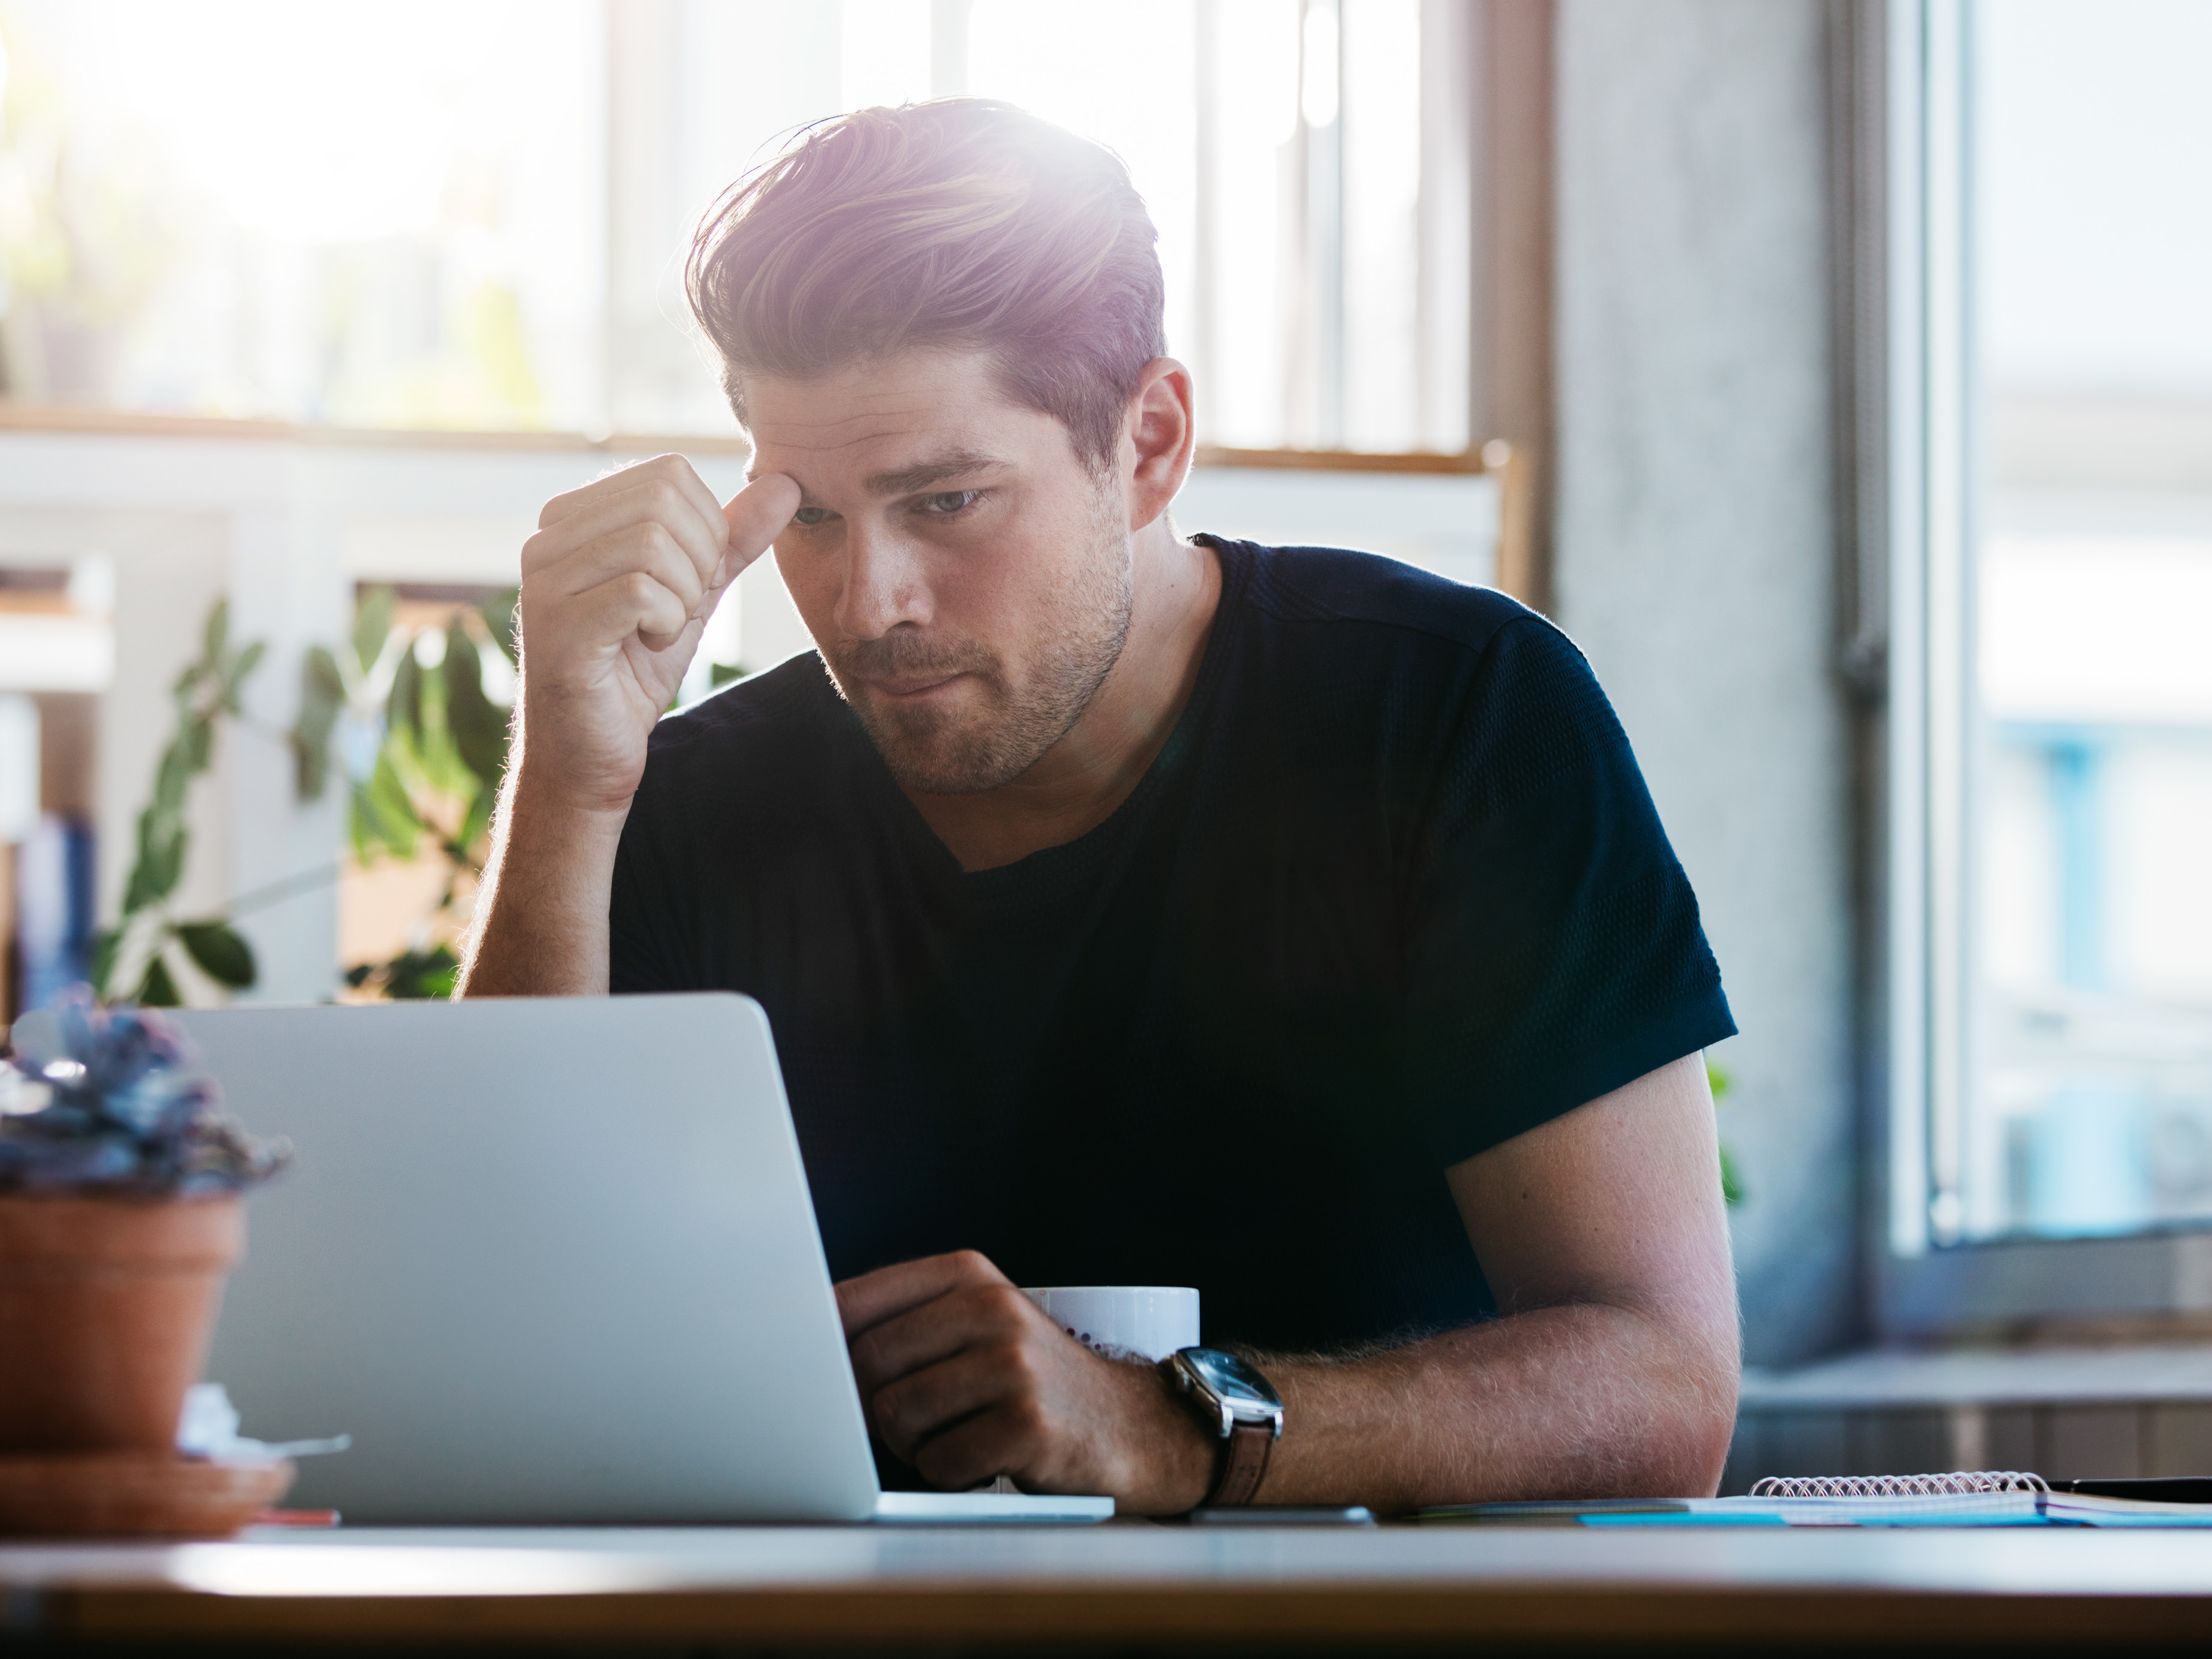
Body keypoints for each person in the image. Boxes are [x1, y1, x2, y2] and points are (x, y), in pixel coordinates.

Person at [463, 99, 1740, 1515]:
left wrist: (1160, 1426)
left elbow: (1663, 1383)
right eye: (808, 518)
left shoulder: (1450, 716)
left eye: (944, 501)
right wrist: (571, 790)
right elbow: (487, 1350)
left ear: (1146, 442)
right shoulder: (686, 800)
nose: (866, 604)